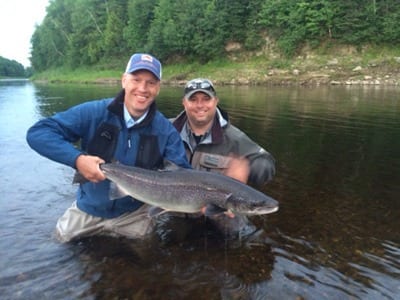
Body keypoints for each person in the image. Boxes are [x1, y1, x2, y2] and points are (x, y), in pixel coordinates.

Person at [26, 53, 191, 243]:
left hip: (133, 214)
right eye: (136, 80)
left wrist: (204, 201)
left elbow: (182, 175)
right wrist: (78, 160)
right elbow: (38, 133)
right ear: (124, 80)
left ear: (158, 88)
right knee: (58, 245)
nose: (143, 88)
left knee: (145, 258)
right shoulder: (94, 113)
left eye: (151, 83)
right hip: (88, 209)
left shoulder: (166, 131)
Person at [169, 78, 276, 239]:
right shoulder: (166, 130)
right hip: (174, 206)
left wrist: (249, 168)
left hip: (220, 209)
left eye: (206, 99)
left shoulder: (234, 138)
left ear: (215, 101)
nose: (200, 105)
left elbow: (266, 162)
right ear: (184, 102)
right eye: (193, 99)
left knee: (239, 238)